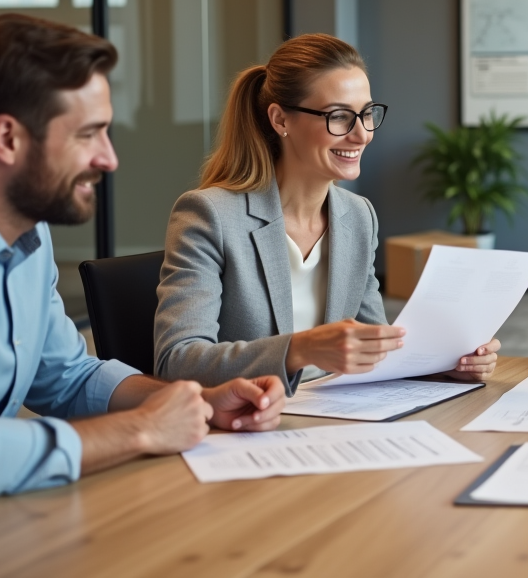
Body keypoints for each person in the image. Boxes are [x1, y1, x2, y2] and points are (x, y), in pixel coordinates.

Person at [0, 14, 286, 506]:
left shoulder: (25, 229)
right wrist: (140, 429)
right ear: (7, 139)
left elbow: (67, 377)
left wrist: (194, 402)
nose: (109, 158)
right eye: (87, 134)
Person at [154, 34, 499, 392]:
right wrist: (301, 349)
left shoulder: (358, 216)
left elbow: (372, 348)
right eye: (339, 116)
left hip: (334, 413)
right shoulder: (210, 215)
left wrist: (444, 364)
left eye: (367, 114)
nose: (362, 134)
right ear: (280, 119)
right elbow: (177, 360)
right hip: (250, 421)